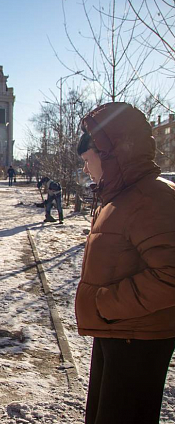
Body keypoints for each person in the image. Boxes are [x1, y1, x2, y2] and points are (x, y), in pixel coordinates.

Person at [76, 102, 175, 424]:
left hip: (139, 335)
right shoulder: (124, 197)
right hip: (122, 329)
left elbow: (171, 275)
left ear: (111, 154)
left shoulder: (150, 199)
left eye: (88, 161)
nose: (86, 170)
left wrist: (107, 304)